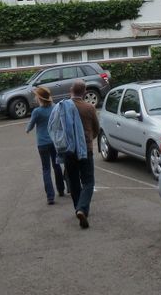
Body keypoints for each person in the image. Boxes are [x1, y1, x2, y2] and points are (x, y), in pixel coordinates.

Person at [62, 79, 99, 229]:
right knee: (88, 181)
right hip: (85, 149)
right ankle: (82, 208)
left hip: (68, 150)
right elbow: (96, 128)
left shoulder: (63, 107)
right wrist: (90, 138)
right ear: (84, 92)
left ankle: (79, 208)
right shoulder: (89, 108)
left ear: (71, 90)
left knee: (74, 180)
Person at [25, 87, 65, 204]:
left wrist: (27, 129)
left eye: (36, 96)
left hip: (42, 143)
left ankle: (50, 197)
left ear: (40, 98)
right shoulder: (54, 108)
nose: (35, 97)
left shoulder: (37, 111)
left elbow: (31, 125)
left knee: (46, 169)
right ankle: (61, 189)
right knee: (56, 165)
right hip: (54, 141)